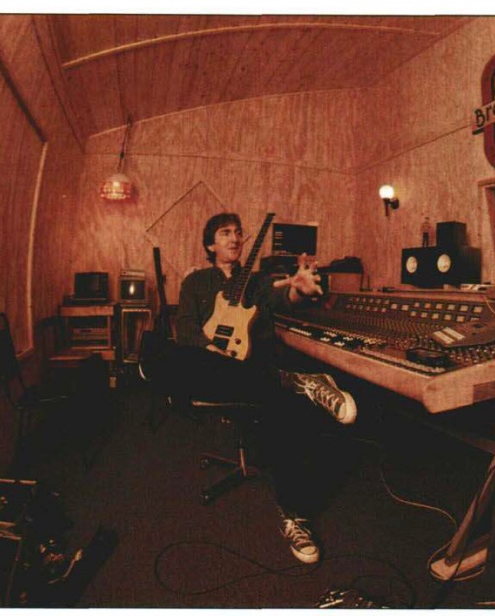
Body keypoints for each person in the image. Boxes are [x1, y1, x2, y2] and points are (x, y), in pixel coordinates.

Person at [147, 212, 356, 565]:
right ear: (210, 245)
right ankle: (296, 380)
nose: (234, 237)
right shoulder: (195, 282)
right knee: (172, 357)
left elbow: (281, 296)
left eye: (238, 232)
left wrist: (299, 289)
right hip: (212, 369)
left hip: (252, 374)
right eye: (224, 233)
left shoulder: (258, 282)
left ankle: (295, 518)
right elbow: (185, 328)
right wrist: (210, 349)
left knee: (288, 415)